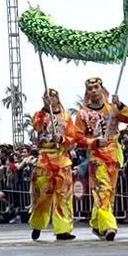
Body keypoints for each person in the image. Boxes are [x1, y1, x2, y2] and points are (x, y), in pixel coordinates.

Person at [75, 78, 128, 241]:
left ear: (102, 89)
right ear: (87, 93)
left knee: (109, 192)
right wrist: (94, 141)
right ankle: (109, 225)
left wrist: (121, 105)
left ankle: (97, 223)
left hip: (113, 154)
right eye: (90, 88)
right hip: (97, 157)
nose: (94, 91)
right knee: (102, 190)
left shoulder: (112, 109)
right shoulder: (83, 114)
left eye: (96, 87)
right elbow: (78, 138)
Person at [28, 88, 76, 241]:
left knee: (63, 196)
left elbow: (72, 137)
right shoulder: (40, 114)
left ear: (57, 98)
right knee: (43, 195)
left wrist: (61, 139)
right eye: (46, 97)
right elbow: (36, 125)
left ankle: (63, 229)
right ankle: (37, 223)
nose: (49, 99)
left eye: (52, 96)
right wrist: (44, 109)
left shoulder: (66, 117)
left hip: (61, 158)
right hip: (45, 159)